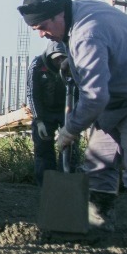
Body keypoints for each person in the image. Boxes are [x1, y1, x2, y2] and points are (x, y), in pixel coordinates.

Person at [18, 0, 127, 249]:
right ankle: (98, 233)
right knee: (98, 164)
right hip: (117, 97)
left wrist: (70, 130)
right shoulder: (76, 11)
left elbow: (94, 97)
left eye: (42, 25)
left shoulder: (87, 34)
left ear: (59, 14)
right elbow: (75, 48)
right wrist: (69, 59)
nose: (40, 33)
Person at [28, 46, 73, 184]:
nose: (60, 61)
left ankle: (67, 182)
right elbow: (32, 94)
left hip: (66, 110)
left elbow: (79, 92)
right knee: (43, 148)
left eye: (62, 58)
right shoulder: (36, 65)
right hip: (44, 112)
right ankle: (45, 185)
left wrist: (74, 121)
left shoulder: (75, 64)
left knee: (69, 147)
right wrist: (39, 120)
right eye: (56, 58)